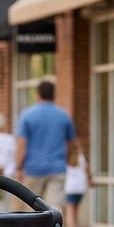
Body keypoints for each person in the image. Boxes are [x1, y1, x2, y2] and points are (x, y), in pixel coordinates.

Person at [14, 79, 81, 208]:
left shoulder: (28, 115)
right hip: (57, 168)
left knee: (31, 208)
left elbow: (22, 143)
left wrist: (18, 167)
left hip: (33, 169)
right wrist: (67, 160)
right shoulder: (63, 116)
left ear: (38, 94)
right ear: (53, 94)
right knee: (54, 209)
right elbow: (73, 143)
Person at [63, 146, 90, 227]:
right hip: (80, 188)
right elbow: (88, 169)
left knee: (70, 213)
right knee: (76, 213)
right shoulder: (81, 158)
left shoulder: (66, 159)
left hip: (70, 188)